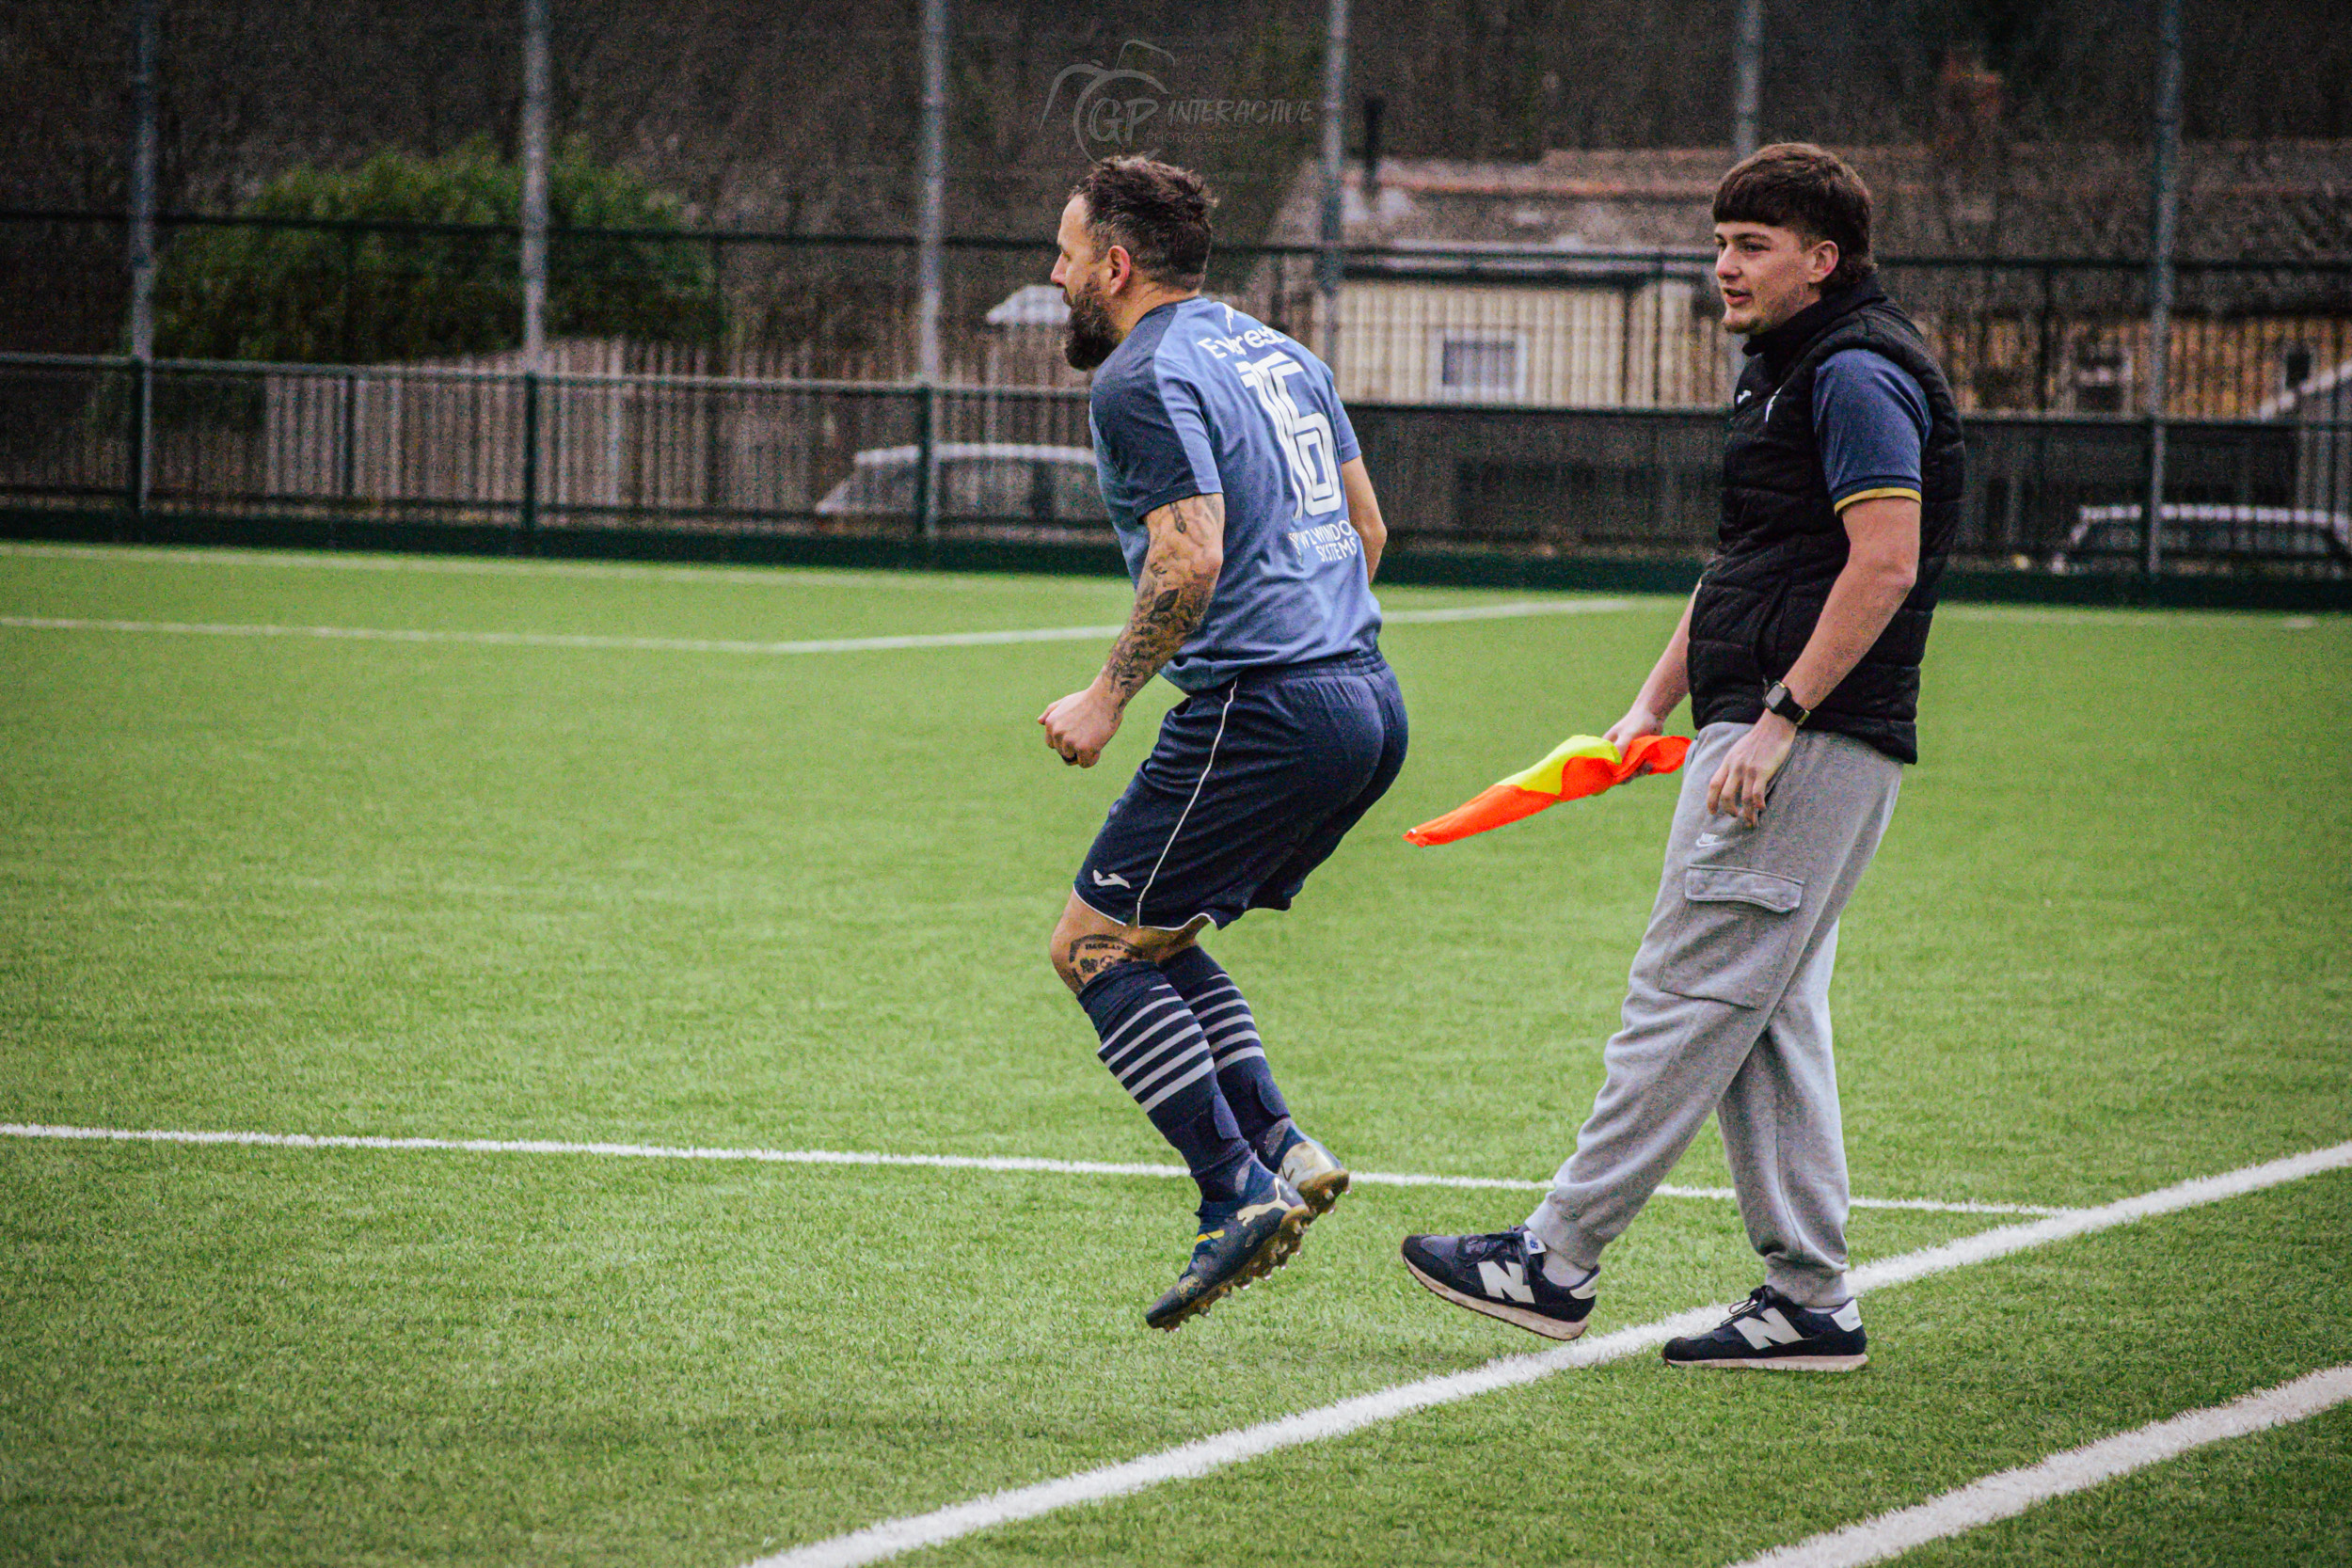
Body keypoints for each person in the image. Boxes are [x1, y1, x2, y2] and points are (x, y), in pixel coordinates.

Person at [1400, 143, 1963, 1370]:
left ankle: (1554, 1258)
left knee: (1684, 996)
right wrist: (1650, 701)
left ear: (1825, 258)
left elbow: (1884, 562)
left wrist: (1779, 718)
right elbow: (1747, 562)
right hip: (1766, 724)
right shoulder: (1789, 372)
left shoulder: (1857, 374)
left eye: (1752, 244)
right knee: (1762, 1018)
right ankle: (1810, 1299)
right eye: (1719, 242)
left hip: (1800, 741)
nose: (1725, 266)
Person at [1039, 156, 1408, 1334]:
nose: (1054, 274)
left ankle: (1230, 1190)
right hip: (1366, 696)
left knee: (1092, 949)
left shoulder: (1138, 377)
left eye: (1064, 252)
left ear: (1115, 262)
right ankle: (1282, 1144)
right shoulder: (1281, 353)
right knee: (1158, 929)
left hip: (1267, 706)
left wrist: (1106, 692)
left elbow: (1188, 555)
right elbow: (1366, 529)